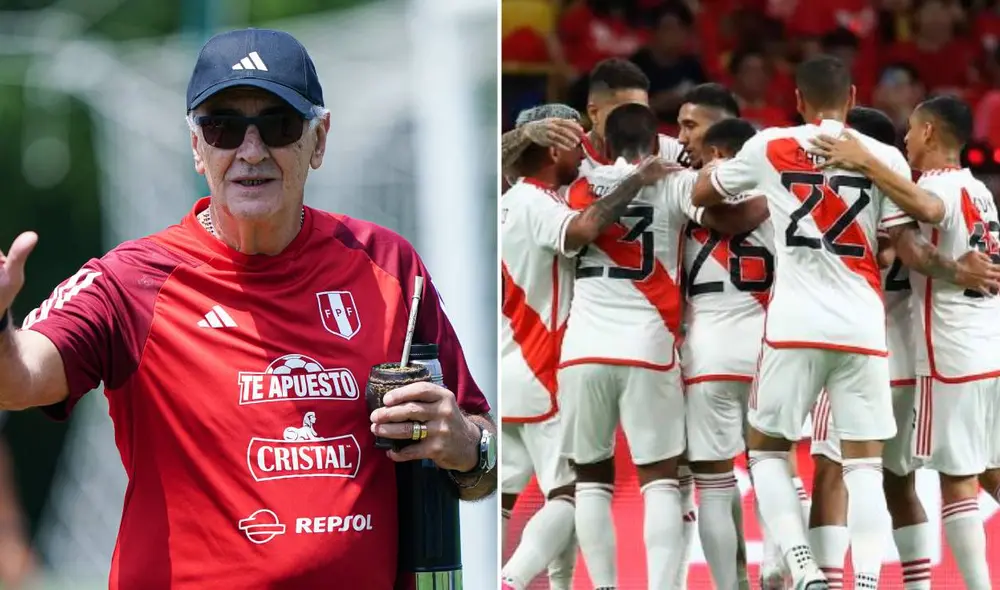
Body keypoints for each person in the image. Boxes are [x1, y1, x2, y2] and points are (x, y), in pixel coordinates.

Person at [0, 28, 496, 589]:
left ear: (319, 139)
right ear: (197, 146)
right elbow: (18, 381)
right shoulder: (131, 281)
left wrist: (467, 446)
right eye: (224, 127)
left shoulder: (388, 265)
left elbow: (482, 459)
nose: (252, 151)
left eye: (279, 125)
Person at [691, 55, 1000, 589]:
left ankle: (806, 568)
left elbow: (702, 194)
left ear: (796, 100)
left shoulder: (770, 145)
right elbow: (905, 246)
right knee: (871, 471)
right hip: (869, 330)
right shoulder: (890, 163)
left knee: (774, 452)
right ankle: (867, 583)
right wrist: (955, 268)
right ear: (853, 97)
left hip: (798, 326)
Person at [558, 103, 763, 590]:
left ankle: (604, 586)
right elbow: (729, 221)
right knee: (661, 482)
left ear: (605, 144)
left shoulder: (576, 189)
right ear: (656, 143)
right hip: (649, 350)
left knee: (590, 481)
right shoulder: (675, 182)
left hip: (583, 349)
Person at [809, 95, 1000, 590]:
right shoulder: (976, 189)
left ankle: (835, 581)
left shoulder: (895, 192)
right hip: (936, 348)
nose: (908, 139)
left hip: (886, 352)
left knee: (837, 471)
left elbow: (910, 243)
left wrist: (865, 164)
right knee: (910, 479)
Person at [500, 103, 675, 590]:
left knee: (503, 497)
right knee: (574, 495)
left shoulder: (506, 201)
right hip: (543, 364)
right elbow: (580, 230)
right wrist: (637, 180)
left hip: (506, 363)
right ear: (554, 149)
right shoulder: (539, 203)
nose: (585, 154)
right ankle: (511, 579)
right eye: (577, 143)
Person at [806, 106, 933, 590]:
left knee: (832, 473)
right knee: (898, 482)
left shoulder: (843, 197)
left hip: (854, 351)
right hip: (908, 356)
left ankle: (833, 582)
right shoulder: (915, 196)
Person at [680, 116, 768, 590]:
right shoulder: (779, 196)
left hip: (707, 352)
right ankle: (781, 565)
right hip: (768, 349)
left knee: (713, 485)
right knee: (774, 467)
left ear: (716, 155)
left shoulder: (683, 197)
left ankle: (728, 586)